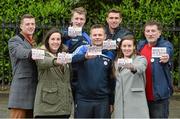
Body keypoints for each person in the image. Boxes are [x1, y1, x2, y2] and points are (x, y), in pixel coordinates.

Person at [72, 24, 115, 118]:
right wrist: (84, 57)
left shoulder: (109, 54)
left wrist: (111, 101)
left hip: (103, 100)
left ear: (105, 37)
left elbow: (111, 79)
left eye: (100, 35)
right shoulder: (82, 49)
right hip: (83, 100)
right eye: (94, 35)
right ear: (90, 36)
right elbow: (70, 61)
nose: (97, 37)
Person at [33, 28, 73, 118]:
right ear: (47, 40)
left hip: (64, 109)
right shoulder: (40, 53)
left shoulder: (65, 54)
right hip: (46, 110)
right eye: (53, 39)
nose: (56, 42)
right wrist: (56, 61)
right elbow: (43, 62)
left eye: (58, 39)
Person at [137, 20, 174, 118]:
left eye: (153, 31)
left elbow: (168, 51)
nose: (150, 34)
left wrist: (167, 57)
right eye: (147, 31)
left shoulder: (165, 46)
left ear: (159, 33)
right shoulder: (140, 46)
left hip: (159, 98)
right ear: (144, 33)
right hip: (142, 97)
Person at [8, 14, 38, 118]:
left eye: (33, 24)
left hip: (34, 91)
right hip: (20, 92)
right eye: (27, 24)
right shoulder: (15, 40)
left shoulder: (32, 41)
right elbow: (20, 52)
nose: (31, 26)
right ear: (21, 26)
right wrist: (36, 52)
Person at [113, 35, 149, 118]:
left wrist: (131, 67)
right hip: (120, 102)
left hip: (135, 101)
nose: (127, 48)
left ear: (134, 47)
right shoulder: (116, 62)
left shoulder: (140, 59)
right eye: (124, 46)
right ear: (121, 48)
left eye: (129, 46)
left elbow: (140, 68)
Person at [61, 7, 91, 102]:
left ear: (85, 21)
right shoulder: (62, 35)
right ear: (71, 19)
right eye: (76, 18)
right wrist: (66, 35)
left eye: (81, 19)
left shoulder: (87, 38)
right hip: (64, 75)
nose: (79, 21)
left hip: (81, 77)